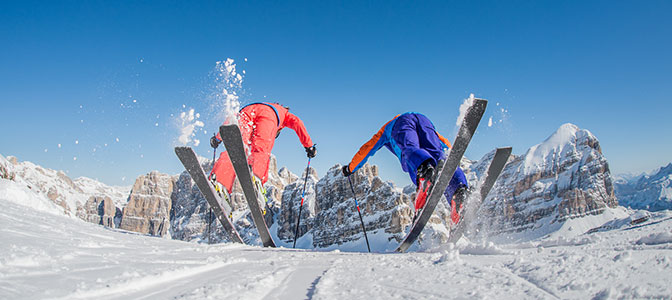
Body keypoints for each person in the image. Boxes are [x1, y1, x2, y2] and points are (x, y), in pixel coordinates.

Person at [341, 112, 468, 224]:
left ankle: (424, 174)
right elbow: (442, 142)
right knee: (439, 157)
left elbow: (367, 149)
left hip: (401, 124)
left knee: (409, 151)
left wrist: (350, 169)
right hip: (424, 120)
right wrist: (448, 152)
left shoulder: (387, 128)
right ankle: (459, 191)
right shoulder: (418, 118)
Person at [210, 102, 316, 196]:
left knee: (235, 148)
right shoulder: (284, 114)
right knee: (261, 148)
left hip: (246, 110)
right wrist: (309, 146)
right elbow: (297, 123)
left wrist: (218, 138)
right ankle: (256, 178)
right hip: (269, 116)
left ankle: (219, 181)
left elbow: (231, 124)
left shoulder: (263, 105)